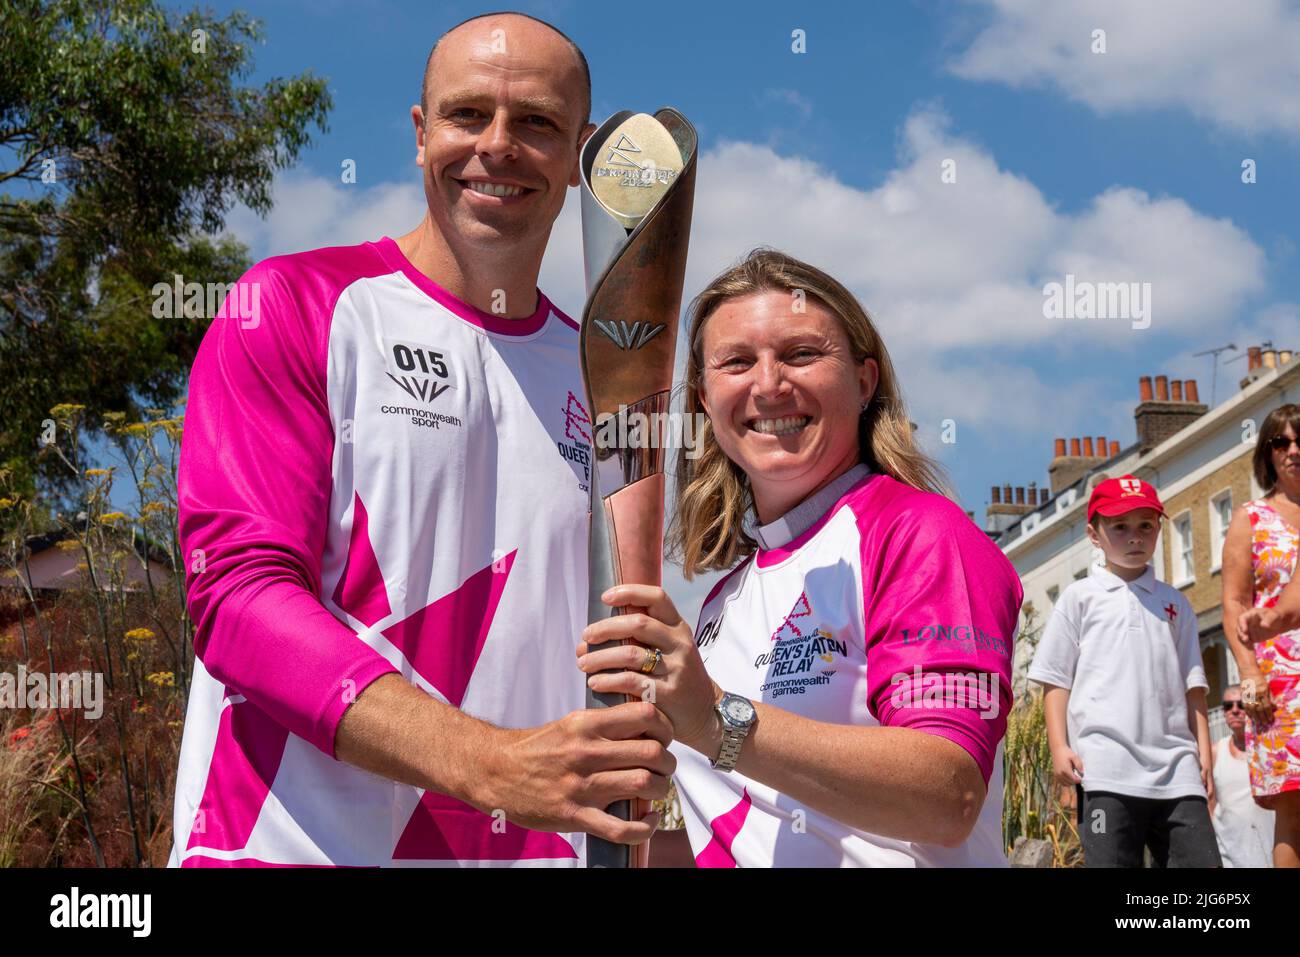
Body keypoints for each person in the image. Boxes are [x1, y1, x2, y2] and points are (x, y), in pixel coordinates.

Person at [168, 12, 675, 868]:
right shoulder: (294, 305)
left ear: (585, 158)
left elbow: (614, 656)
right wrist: (492, 764)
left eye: (539, 123)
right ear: (419, 132)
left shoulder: (610, 384)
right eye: (468, 114)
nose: (499, 146)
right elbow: (239, 601)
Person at [575, 249, 1023, 866]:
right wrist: (595, 839)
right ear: (705, 402)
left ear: (864, 382)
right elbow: (752, 834)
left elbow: (946, 798)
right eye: (737, 362)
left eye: (801, 354)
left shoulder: (919, 535)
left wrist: (712, 719)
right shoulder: (721, 600)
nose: (768, 384)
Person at [1028, 475, 1221, 867]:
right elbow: (1056, 679)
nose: (1135, 537)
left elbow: (1193, 683)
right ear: (1094, 534)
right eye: (1120, 527)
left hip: (1178, 770)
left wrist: (1204, 751)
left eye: (1145, 526)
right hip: (1105, 769)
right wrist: (1059, 746)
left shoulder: (1176, 604)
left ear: (1158, 529)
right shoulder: (1079, 599)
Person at [1224, 405, 1300, 868]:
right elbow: (1233, 602)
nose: (1293, 451)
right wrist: (1248, 671)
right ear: (1267, 453)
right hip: (1280, 681)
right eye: (1281, 443)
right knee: (1292, 806)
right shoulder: (1250, 518)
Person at [1210, 684, 1276, 867]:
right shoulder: (1215, 751)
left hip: (1270, 851)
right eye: (1228, 706)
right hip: (1230, 855)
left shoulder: (1267, 749)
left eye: (1241, 704)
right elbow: (1210, 801)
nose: (1235, 710)